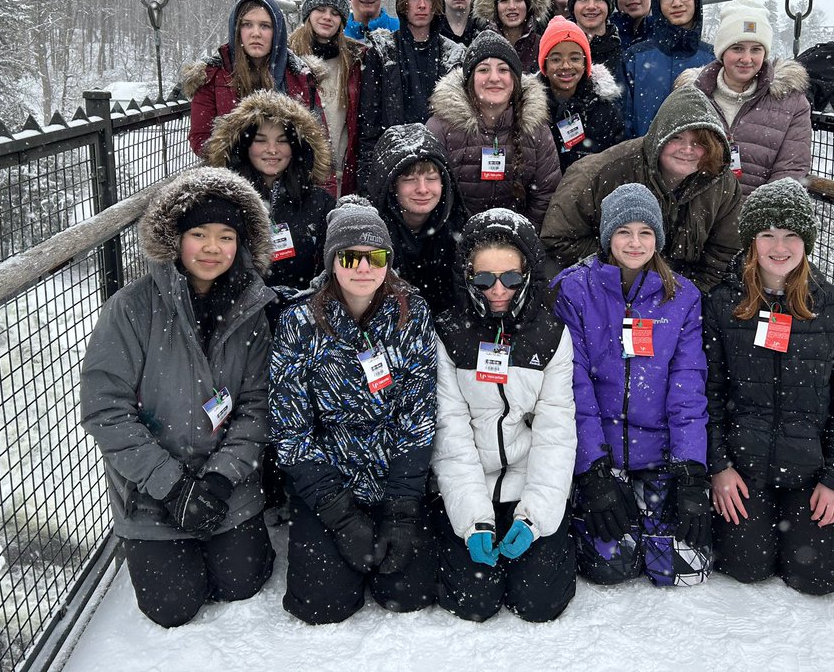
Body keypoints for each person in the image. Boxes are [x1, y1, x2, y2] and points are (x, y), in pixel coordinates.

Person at [80, 168, 276, 627]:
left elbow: (257, 404)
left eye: (226, 236)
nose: (212, 248)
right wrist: (170, 485)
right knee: (173, 607)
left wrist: (221, 478)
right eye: (199, 234)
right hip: (150, 490)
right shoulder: (131, 308)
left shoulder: (252, 309)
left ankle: (221, 535)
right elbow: (106, 410)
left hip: (226, 484)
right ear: (174, 239)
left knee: (241, 582)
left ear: (241, 244)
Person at [269, 196, 438, 624]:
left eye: (375, 256)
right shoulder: (299, 323)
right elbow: (291, 430)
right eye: (350, 256)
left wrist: (402, 510)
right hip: (330, 484)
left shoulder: (412, 315)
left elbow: (417, 418)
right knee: (322, 606)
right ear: (331, 262)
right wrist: (340, 516)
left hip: (392, 479)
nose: (363, 268)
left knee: (409, 592)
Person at [704, 178, 834, 595]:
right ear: (751, 241)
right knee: (746, 566)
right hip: (743, 469)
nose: (779, 247)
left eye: (791, 235)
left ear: (807, 241)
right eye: (767, 235)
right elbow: (705, 393)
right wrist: (719, 467)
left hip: (809, 471)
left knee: (821, 576)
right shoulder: (724, 303)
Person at [552, 183, 711, 587]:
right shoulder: (574, 289)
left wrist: (690, 471)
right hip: (601, 458)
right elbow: (575, 386)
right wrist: (591, 470)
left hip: (657, 456)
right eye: (624, 231)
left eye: (645, 232)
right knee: (612, 567)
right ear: (608, 236)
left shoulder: (682, 297)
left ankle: (649, 506)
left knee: (681, 570)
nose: (635, 242)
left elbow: (687, 387)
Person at [432, 208, 577, 622]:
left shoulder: (551, 337)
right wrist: (471, 519)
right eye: (484, 279)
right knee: (473, 603)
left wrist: (535, 517)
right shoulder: (449, 334)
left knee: (540, 604)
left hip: (527, 484)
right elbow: (451, 433)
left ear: (527, 274)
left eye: (510, 278)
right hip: (471, 481)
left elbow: (556, 434)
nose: (498, 290)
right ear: (467, 277)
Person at [541, 85, 743, 295]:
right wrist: (628, 271)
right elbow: (558, 241)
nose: (687, 149)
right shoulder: (599, 174)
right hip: (602, 290)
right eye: (677, 138)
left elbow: (725, 254)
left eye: (698, 142)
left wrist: (685, 298)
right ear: (659, 136)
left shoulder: (721, 183)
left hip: (683, 295)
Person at [202, 90, 335, 292]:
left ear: (296, 146)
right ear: (244, 145)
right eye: (260, 140)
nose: (272, 149)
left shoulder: (319, 202)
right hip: (240, 313)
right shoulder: (222, 201)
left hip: (302, 309)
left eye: (282, 141)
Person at [677, 0, 812, 195]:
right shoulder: (692, 95)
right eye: (737, 48)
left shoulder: (790, 102)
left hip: (756, 217)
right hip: (699, 216)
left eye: (756, 49)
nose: (746, 59)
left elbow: (790, 169)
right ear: (722, 52)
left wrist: (758, 217)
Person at [426, 30, 561, 228]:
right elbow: (434, 198)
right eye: (483, 70)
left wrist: (521, 242)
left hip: (518, 243)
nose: (494, 78)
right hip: (455, 244)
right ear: (470, 79)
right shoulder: (440, 127)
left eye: (503, 70)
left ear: (515, 80)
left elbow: (545, 196)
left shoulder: (536, 129)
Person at [358, 0, 465, 189]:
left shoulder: (453, 56)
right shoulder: (382, 52)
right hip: (392, 165)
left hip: (439, 169)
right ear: (402, 2)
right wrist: (368, 184)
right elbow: (369, 126)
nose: (422, 5)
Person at [184, 0, 317, 155]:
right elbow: (200, 139)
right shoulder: (211, 76)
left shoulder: (300, 75)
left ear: (277, 31)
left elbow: (317, 141)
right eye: (247, 24)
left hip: (289, 175)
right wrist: (244, 156)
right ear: (237, 29)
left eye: (265, 26)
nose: (256, 33)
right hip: (233, 174)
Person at [365, 122, 467, 313]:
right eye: (409, 180)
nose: (422, 189)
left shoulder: (458, 228)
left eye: (431, 178)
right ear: (391, 185)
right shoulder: (370, 235)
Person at [289, 0, 365, 195]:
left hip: (341, 172)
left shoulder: (354, 61)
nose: (327, 17)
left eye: (335, 13)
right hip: (299, 174)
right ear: (308, 12)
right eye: (320, 9)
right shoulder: (288, 58)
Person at [619, 0, 715, 138]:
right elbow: (625, 123)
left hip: (700, 160)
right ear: (658, 3)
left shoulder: (713, 59)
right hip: (644, 160)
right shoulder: (636, 58)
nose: (677, 3)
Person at [536, 15, 623, 172]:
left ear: (585, 64)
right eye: (556, 59)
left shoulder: (604, 110)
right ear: (545, 65)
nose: (566, 65)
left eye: (575, 58)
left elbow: (616, 166)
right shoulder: (530, 112)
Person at [472, 0, 550, 73]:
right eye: (504, 0)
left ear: (528, 5)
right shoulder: (480, 45)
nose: (512, 6)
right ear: (494, 7)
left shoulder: (542, 45)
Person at [568, 0, 624, 82]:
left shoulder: (624, 52)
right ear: (573, 7)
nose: (591, 6)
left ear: (609, 6)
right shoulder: (556, 47)